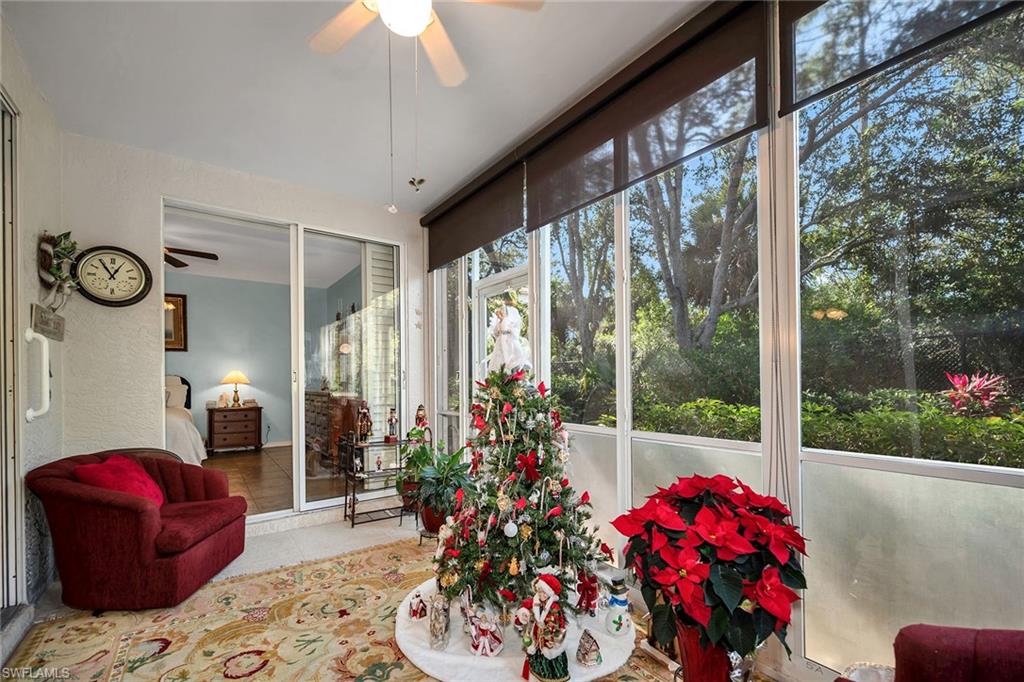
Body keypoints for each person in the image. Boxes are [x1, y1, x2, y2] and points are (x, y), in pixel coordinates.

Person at [487, 293, 531, 373]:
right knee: (499, 363)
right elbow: (496, 332)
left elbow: (513, 329)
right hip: (502, 342)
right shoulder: (500, 321)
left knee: (515, 360)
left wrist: (504, 324)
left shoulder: (513, 313)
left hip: (510, 341)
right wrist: (501, 321)